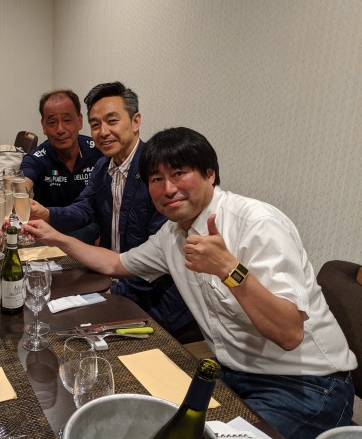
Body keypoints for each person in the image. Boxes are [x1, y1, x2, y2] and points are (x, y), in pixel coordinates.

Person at [23, 127, 356, 438]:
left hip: (307, 386)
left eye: (179, 173)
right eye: (157, 179)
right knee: (140, 417)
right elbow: (115, 263)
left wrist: (229, 269)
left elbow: (289, 333)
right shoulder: (172, 234)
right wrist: (54, 236)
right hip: (230, 373)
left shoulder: (258, 223)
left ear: (210, 174)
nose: (168, 189)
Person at [30, 82, 197, 340]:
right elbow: (83, 210)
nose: (103, 132)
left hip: (156, 302)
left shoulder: (157, 174)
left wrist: (113, 295)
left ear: (136, 121)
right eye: (96, 125)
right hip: (111, 278)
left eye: (112, 121)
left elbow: (158, 258)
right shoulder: (102, 168)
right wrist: (47, 215)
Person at [20, 89, 104, 244]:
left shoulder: (99, 151)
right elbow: (23, 183)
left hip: (91, 231)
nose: (60, 130)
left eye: (67, 120)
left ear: (80, 121)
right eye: (52, 122)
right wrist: (18, 194)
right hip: (51, 231)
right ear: (43, 126)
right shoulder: (36, 157)